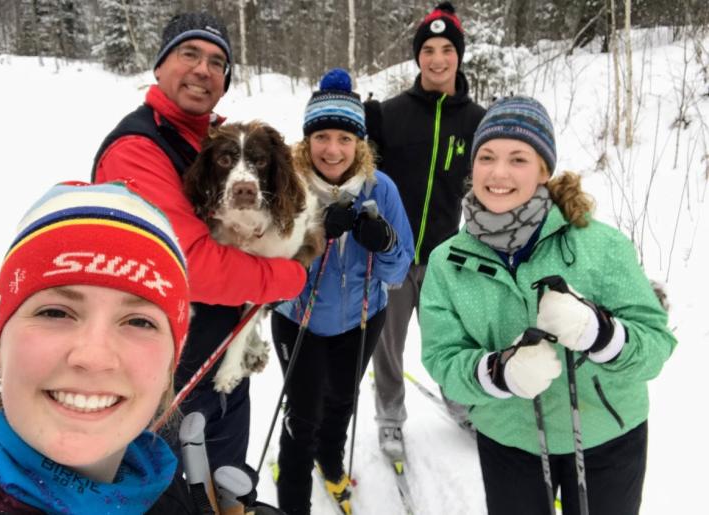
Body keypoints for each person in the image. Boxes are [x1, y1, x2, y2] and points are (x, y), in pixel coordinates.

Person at [420, 96, 677, 514]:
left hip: (607, 436)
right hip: (509, 439)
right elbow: (442, 360)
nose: (498, 173)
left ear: (544, 169)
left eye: (518, 159)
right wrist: (499, 372)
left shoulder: (600, 245)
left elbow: (655, 347)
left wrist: (600, 333)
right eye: (487, 157)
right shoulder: (447, 261)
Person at [92, 12, 307, 473]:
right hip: (165, 377)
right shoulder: (138, 148)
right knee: (171, 492)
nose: (203, 69)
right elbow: (189, 267)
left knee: (227, 485)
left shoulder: (209, 137)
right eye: (189, 53)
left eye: (216, 61)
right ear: (160, 66)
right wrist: (288, 276)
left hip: (219, 361)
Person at [0, 181, 193, 514]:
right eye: (55, 312)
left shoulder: (170, 494)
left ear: (171, 363)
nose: (93, 357)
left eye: (139, 322)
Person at [271, 68, 414, 515]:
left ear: (361, 144)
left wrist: (385, 241)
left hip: (362, 317)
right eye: (322, 136)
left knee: (342, 400)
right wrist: (313, 235)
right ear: (306, 140)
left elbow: (398, 267)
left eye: (345, 139)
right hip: (300, 320)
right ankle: (294, 498)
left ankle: (330, 463)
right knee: (303, 412)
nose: (333, 149)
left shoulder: (380, 188)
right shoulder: (287, 187)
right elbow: (268, 273)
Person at [364, 1, 486, 460]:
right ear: (418, 57)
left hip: (445, 257)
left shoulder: (477, 121)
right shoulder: (389, 114)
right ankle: (390, 418)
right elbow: (360, 175)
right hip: (393, 256)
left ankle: (460, 401)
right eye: (429, 49)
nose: (437, 59)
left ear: (458, 55)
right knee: (388, 346)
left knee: (448, 340)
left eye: (446, 49)